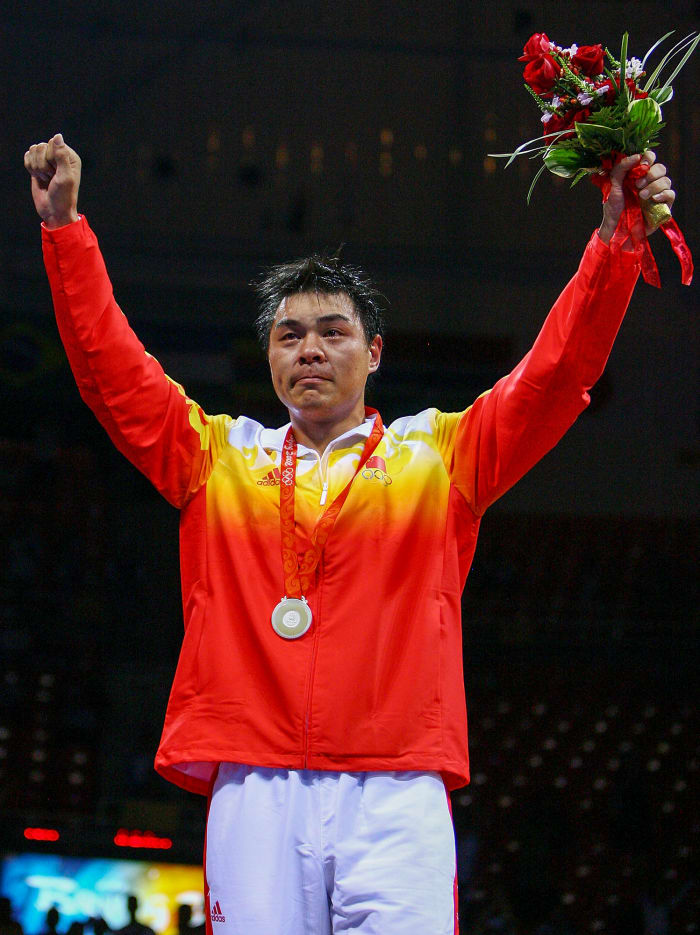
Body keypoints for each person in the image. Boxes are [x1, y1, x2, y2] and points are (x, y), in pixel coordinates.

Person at [25, 133, 676, 935]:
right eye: (289, 335)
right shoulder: (216, 456)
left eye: (332, 332)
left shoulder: (442, 456)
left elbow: (557, 373)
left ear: (373, 352)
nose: (310, 349)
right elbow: (109, 370)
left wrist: (614, 242)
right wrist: (65, 231)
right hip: (256, 783)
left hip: (397, 786)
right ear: (267, 356)